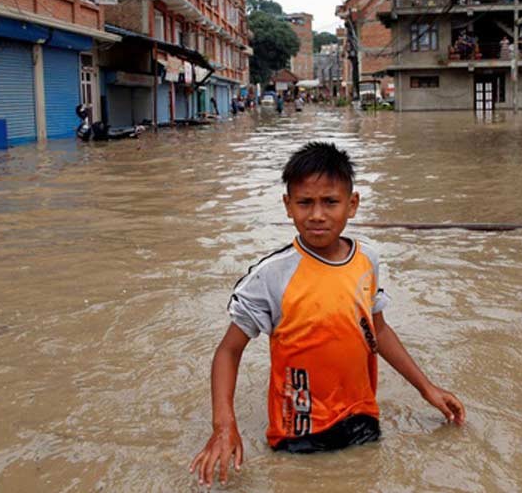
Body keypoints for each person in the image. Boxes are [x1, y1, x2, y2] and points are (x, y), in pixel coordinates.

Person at [189, 142, 466, 488]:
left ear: (352, 204)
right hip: (297, 428)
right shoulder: (270, 275)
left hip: (362, 416)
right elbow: (228, 351)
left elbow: (377, 331)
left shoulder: (367, 260)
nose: (317, 215)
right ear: (288, 206)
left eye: (330, 202)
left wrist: (427, 389)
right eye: (305, 202)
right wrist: (224, 426)